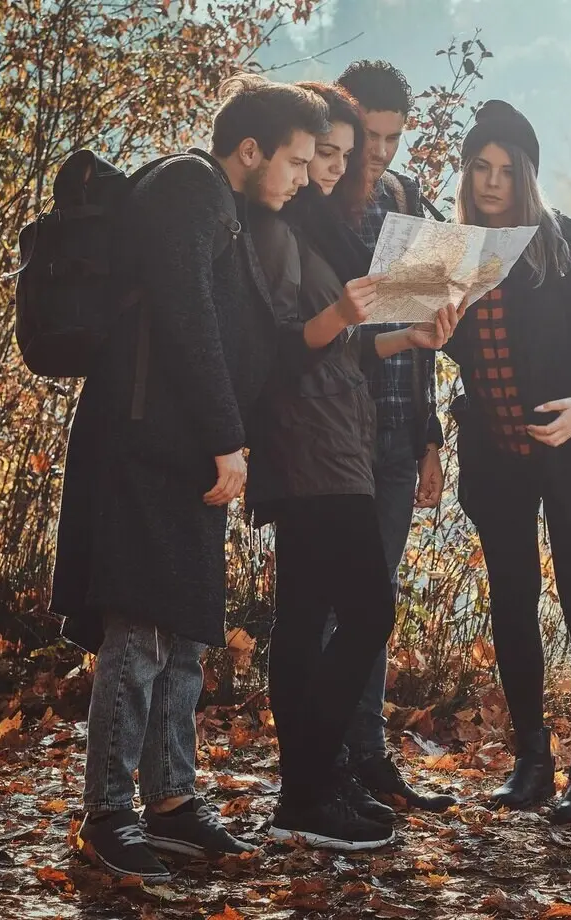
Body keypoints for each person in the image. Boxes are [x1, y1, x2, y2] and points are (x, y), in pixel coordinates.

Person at [50, 76, 330, 881]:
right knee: (137, 633)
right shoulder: (189, 187)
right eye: (298, 161)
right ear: (250, 150)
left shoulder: (224, 206)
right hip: (146, 449)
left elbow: (239, 330)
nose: (304, 177)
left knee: (185, 632)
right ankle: (108, 814)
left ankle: (171, 801)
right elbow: (186, 315)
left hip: (182, 456)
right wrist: (225, 438)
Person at [244, 82, 457, 851]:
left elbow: (348, 345)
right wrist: (344, 315)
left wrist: (412, 339)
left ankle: (309, 790)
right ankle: (307, 787)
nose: (331, 169)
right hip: (308, 444)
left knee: (304, 616)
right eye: (321, 154)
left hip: (336, 435)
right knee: (366, 611)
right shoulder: (279, 226)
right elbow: (284, 343)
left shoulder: (318, 224)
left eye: (338, 155)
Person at [443, 101, 571, 825]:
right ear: (466, 174)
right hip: (497, 453)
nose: (492, 182)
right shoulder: (451, 251)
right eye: (479, 168)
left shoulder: (566, 244)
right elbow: (421, 344)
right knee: (512, 601)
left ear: (527, 175)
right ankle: (532, 761)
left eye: (506, 170)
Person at [333, 59, 456, 813]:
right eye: (371, 136)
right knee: (326, 610)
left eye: (392, 138)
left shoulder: (405, 202)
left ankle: (370, 759)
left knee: (375, 602)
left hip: (396, 432)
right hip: (333, 434)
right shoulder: (316, 199)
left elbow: (423, 340)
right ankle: (322, 762)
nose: (380, 153)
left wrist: (430, 438)